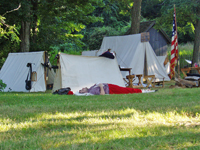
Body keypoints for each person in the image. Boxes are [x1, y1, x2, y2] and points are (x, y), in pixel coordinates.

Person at [78, 83, 153, 95]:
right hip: (110, 89)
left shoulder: (91, 87)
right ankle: (143, 91)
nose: (83, 88)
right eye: (82, 90)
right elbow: (102, 94)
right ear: (84, 92)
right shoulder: (91, 91)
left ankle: (143, 90)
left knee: (124, 89)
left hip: (109, 85)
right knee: (126, 91)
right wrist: (101, 86)